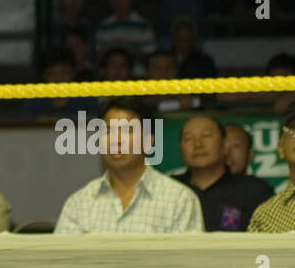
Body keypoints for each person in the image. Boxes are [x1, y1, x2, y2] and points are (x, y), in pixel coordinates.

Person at [54, 99, 203, 234]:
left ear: (148, 141)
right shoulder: (79, 203)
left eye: (128, 131)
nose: (116, 140)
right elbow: (62, 262)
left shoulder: (179, 200)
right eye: (108, 131)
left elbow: (187, 262)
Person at [172, 116, 272, 231]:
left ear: (224, 144)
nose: (198, 145)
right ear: (181, 148)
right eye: (189, 139)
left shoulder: (254, 191)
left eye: (206, 136)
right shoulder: (169, 191)